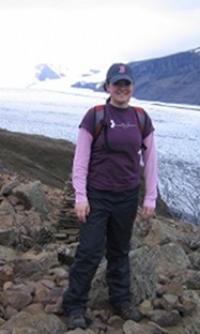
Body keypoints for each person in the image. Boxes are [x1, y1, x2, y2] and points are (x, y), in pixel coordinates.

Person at [62, 63, 157, 330]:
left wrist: (150, 196)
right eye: (117, 84)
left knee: (119, 251)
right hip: (97, 195)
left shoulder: (141, 118)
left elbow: (150, 160)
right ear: (107, 87)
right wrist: (81, 195)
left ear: (132, 87)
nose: (122, 88)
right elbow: (80, 160)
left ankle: (120, 300)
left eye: (127, 83)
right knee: (89, 252)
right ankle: (75, 305)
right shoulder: (95, 115)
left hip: (127, 196)